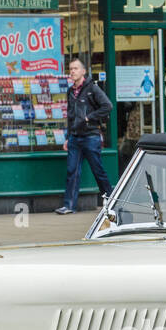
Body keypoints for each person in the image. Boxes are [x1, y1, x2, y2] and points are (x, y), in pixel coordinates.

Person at [54, 57, 112, 215]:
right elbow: (70, 116)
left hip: (90, 137)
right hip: (74, 137)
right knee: (72, 171)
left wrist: (89, 118)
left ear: (83, 71)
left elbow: (108, 106)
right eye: (70, 69)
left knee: (98, 171)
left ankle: (112, 202)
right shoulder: (70, 91)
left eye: (75, 68)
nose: (72, 71)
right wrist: (68, 136)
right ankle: (69, 206)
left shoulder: (92, 88)